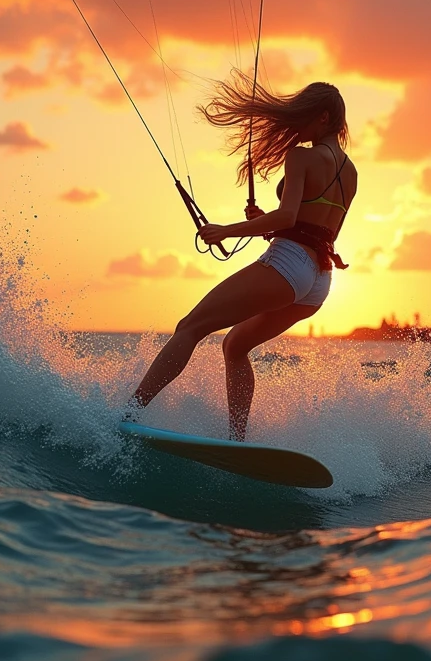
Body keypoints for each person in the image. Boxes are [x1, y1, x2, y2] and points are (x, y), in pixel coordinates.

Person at [125, 73, 357, 441]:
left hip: (289, 267)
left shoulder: (301, 156)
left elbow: (289, 218)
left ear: (325, 117)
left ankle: (127, 414)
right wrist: (266, 224)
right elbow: (317, 232)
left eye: (304, 115)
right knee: (234, 345)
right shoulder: (351, 171)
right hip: (319, 282)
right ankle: (237, 440)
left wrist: (224, 230)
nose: (296, 124)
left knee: (190, 326)